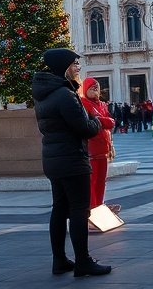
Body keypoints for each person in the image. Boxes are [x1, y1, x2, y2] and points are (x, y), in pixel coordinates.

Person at [32, 48, 111, 277]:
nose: (78, 68)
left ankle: (59, 260)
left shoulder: (43, 93)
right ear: (65, 67)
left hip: (53, 159)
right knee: (79, 210)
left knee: (59, 209)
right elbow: (84, 127)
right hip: (72, 158)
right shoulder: (65, 94)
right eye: (75, 64)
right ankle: (83, 261)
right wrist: (96, 121)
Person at [79, 77, 118, 213]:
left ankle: (99, 206)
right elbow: (94, 122)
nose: (95, 90)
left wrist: (101, 121)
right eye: (92, 88)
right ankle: (93, 209)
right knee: (92, 182)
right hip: (92, 150)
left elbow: (111, 122)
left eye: (97, 88)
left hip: (103, 148)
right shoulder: (83, 103)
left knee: (101, 181)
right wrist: (103, 121)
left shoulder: (102, 104)